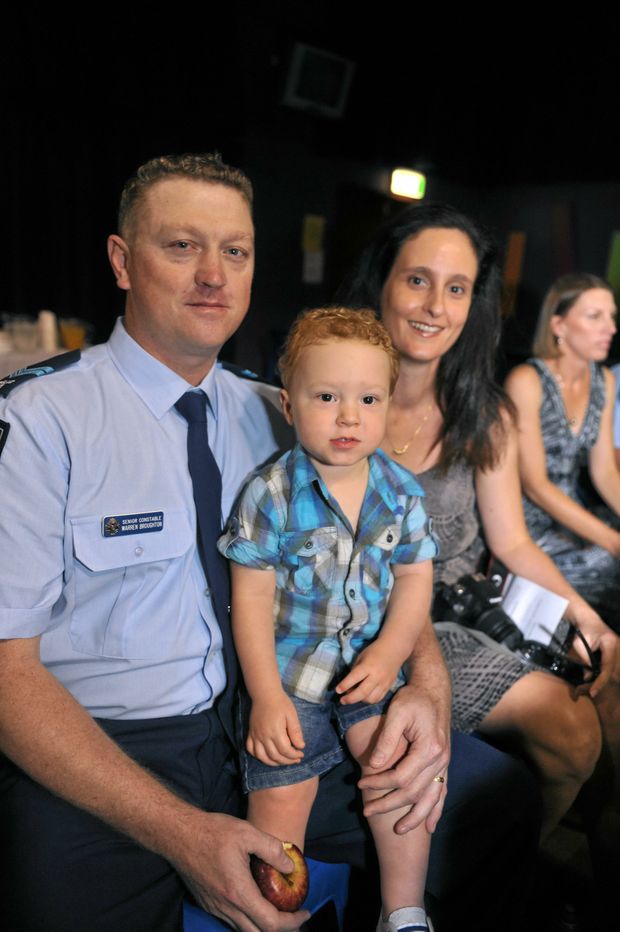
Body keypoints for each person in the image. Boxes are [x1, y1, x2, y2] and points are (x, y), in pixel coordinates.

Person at [0, 155, 539, 932]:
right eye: (182, 246)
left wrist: (425, 687)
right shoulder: (42, 421)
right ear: (121, 261)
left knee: (495, 804)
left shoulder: (287, 410)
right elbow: (9, 676)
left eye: (237, 251)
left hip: (285, 704)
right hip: (114, 743)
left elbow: (384, 559)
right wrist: (183, 833)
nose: (214, 275)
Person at [338, 204, 618, 839]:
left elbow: (513, 541)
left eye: (456, 288)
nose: (435, 305)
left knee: (600, 704)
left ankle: (521, 872)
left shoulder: (484, 414)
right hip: (372, 623)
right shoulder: (329, 398)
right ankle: (491, 882)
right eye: (417, 280)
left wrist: (587, 616)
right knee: (569, 730)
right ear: (381, 281)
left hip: (467, 607)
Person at [219, 307, 438, 932]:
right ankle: (276, 911)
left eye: (368, 399)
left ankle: (404, 910)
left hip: (371, 668)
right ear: (288, 406)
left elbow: (416, 579)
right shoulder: (271, 494)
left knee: (401, 773)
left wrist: (392, 654)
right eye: (326, 397)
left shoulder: (401, 491)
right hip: (292, 676)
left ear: (389, 404)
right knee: (284, 790)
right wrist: (264, 695)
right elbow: (252, 600)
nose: (349, 416)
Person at [504, 273, 620, 631]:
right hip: (525, 524)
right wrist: (613, 541)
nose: (610, 328)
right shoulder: (526, 380)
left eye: (612, 316)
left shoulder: (604, 380)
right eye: (594, 316)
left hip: (574, 515)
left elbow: (604, 472)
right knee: (607, 558)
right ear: (559, 324)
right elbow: (535, 485)